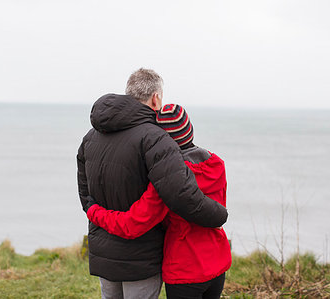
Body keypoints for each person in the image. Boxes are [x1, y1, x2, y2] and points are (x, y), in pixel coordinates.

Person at [77, 68, 228, 299]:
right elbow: (181, 195)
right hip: (141, 255)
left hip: (104, 249)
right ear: (155, 98)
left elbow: (84, 185)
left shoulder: (91, 136)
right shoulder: (153, 137)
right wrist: (218, 216)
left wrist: (91, 210)